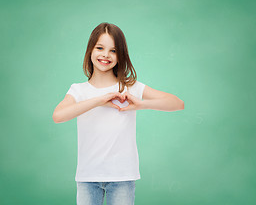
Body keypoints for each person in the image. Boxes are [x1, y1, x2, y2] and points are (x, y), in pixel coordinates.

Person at [52, 22, 184, 205]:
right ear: (90, 50)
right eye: (100, 48)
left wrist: (141, 104)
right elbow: (58, 116)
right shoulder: (78, 90)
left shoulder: (130, 87)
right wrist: (99, 99)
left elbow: (177, 103)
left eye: (113, 51)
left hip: (122, 176)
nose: (105, 55)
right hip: (88, 176)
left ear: (120, 55)